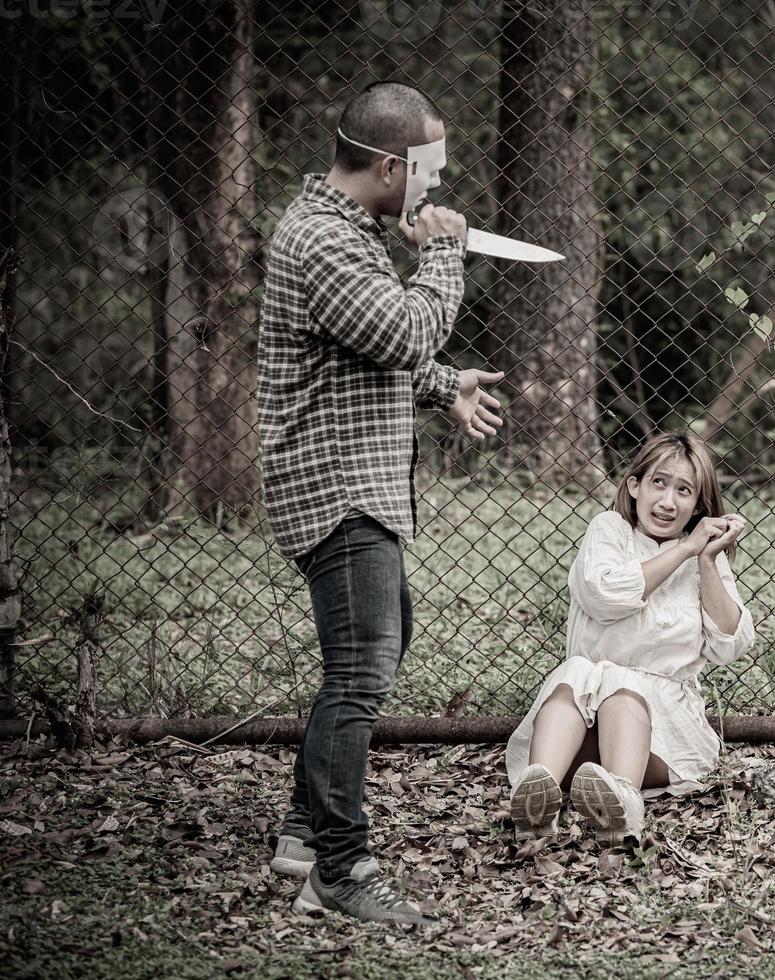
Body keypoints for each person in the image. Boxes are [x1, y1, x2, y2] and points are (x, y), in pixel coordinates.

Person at [256, 81, 504, 926]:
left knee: (372, 652)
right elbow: (401, 329)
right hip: (333, 485)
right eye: (430, 170)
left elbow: (371, 345)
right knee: (360, 671)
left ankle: (302, 828)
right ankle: (340, 865)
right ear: (393, 165)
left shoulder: (346, 233)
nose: (437, 187)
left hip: (353, 480)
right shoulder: (323, 238)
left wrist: (445, 387)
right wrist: (444, 253)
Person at [504, 431, 756, 844]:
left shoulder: (703, 557)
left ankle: (621, 804)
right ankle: (538, 800)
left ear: (698, 505)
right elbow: (605, 595)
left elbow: (730, 643)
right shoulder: (609, 530)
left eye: (684, 490)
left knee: (622, 686)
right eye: (659, 483)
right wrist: (685, 550)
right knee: (580, 672)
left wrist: (707, 559)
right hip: (581, 726)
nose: (668, 501)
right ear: (634, 486)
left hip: (663, 730)